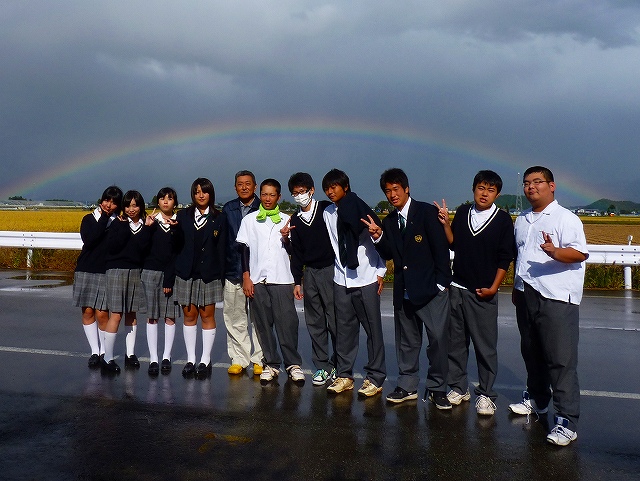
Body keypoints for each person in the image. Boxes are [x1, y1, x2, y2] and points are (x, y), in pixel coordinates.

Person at [508, 166, 588, 446]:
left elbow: (579, 252)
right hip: (526, 294)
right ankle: (538, 399)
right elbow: (520, 255)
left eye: (538, 182)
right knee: (531, 352)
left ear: (552, 186)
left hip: (556, 297)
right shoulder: (522, 219)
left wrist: (555, 252)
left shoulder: (566, 218)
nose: (531, 187)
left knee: (560, 360)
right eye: (527, 183)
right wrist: (517, 289)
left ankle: (567, 420)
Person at [363, 168, 451, 408]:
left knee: (438, 342)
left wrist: (441, 284)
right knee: (407, 343)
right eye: (388, 191)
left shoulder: (426, 212)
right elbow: (390, 254)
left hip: (431, 291)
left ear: (406, 188)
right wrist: (379, 237)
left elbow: (441, 250)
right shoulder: (390, 221)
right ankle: (408, 385)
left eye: (396, 189)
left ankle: (437, 388)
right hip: (405, 292)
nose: (392, 195)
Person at [434, 170, 515, 416]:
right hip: (458, 287)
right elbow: (453, 243)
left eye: (491, 190)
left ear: (497, 194)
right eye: (481, 188)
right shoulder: (463, 213)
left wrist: (494, 287)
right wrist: (446, 224)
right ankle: (459, 387)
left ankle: (487, 394)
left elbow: (505, 258)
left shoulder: (502, 220)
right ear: (473, 189)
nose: (485, 193)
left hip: (484, 292)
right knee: (456, 344)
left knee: (485, 345)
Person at [322, 169, 387, 397]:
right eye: (327, 188)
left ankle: (375, 377)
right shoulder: (328, 213)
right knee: (344, 330)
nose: (331, 191)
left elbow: (377, 239)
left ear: (345, 187)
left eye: (335, 187)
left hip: (366, 278)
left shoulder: (361, 210)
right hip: (341, 279)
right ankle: (344, 375)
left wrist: (381, 271)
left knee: (373, 330)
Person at [236, 178, 305, 384]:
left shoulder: (288, 220)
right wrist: (246, 276)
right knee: (263, 325)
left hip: (282, 279)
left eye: (271, 195)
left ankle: (293, 365)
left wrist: (286, 238)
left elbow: (295, 252)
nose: (267, 198)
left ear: (279, 197)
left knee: (287, 324)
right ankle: (271, 364)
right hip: (258, 279)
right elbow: (244, 250)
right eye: (264, 194)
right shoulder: (250, 220)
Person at [174, 178, 227, 380]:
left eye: (204, 192)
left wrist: (221, 276)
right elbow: (176, 245)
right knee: (189, 316)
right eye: (197, 192)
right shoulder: (183, 216)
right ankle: (190, 359)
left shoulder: (219, 217)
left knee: (207, 316)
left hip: (209, 275)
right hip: (186, 273)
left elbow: (221, 249)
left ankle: (205, 360)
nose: (201, 195)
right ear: (193, 195)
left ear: (210, 194)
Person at [287, 172, 337, 386]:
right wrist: (297, 280)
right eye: (295, 193)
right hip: (310, 273)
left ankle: (341, 365)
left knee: (335, 319)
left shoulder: (326, 209)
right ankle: (322, 366)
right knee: (315, 321)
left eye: (302, 192)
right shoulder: (296, 220)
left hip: (331, 270)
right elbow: (296, 253)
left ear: (312, 190)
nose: (299, 196)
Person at [73, 186, 123, 368]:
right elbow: (90, 240)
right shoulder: (89, 219)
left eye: (114, 202)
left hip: (106, 271)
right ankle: (95, 351)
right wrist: (103, 219)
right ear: (101, 200)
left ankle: (105, 351)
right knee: (87, 311)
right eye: (106, 200)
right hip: (86, 268)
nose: (109, 205)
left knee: (103, 313)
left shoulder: (118, 222)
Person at [221, 171, 263, 377]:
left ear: (255, 186)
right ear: (235, 187)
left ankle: (259, 359)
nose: (244, 187)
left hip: (257, 272)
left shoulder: (263, 208)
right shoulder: (228, 209)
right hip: (232, 270)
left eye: (248, 184)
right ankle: (239, 358)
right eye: (240, 184)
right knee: (234, 317)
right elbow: (223, 240)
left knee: (258, 318)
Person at [102, 190, 148, 373]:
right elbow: (113, 247)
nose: (131, 209)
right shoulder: (117, 224)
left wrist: (148, 228)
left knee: (132, 313)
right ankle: (107, 357)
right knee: (116, 314)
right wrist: (123, 227)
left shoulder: (145, 225)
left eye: (135, 205)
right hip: (116, 271)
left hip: (135, 271)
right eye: (128, 205)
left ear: (141, 206)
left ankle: (130, 355)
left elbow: (143, 249)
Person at [140, 187, 181, 376]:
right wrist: (147, 228)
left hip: (169, 274)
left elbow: (178, 251)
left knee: (170, 316)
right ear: (158, 201)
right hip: (149, 272)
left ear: (175, 202)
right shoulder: (150, 222)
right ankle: (153, 358)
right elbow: (142, 247)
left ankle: (166, 356)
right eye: (162, 198)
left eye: (170, 198)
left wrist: (169, 278)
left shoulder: (178, 223)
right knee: (152, 316)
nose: (166, 201)